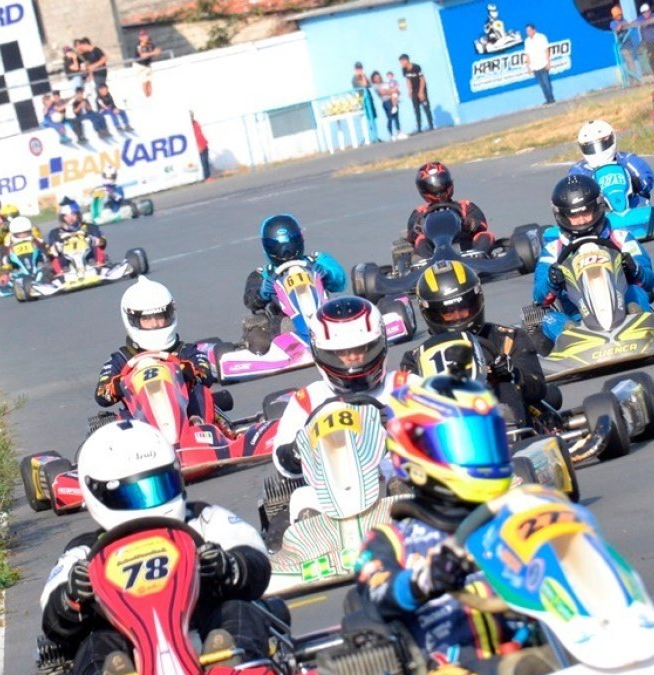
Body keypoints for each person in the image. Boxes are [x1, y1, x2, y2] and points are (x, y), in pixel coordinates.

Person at [39, 420, 273, 674]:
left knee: (239, 611)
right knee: (95, 644)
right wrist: (72, 596)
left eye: (160, 486)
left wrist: (227, 566)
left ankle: (229, 667)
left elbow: (255, 557)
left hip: (203, 628)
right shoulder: (85, 552)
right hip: (130, 647)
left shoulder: (202, 519)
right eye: (134, 493)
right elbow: (53, 619)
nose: (150, 501)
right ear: (98, 493)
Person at [356, 373, 553, 673]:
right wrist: (426, 580)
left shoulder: (517, 519)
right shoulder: (390, 541)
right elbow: (377, 597)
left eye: (486, 441)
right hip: (448, 665)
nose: (483, 455)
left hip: (537, 656)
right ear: (415, 449)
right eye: (468, 444)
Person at [270, 296, 418, 481]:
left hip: (403, 482)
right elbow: (283, 462)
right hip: (333, 487)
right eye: (342, 352)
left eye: (361, 349)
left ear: (379, 344)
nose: (353, 358)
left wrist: (397, 427)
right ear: (321, 353)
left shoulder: (405, 385)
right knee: (301, 497)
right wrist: (300, 447)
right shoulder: (307, 400)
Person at [400, 261, 548, 426]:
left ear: (476, 301)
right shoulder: (415, 359)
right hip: (446, 431)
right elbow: (409, 410)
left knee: (506, 383)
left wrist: (513, 374)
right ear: (431, 313)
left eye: (463, 308)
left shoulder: (508, 339)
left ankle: (512, 430)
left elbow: (539, 388)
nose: (457, 317)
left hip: (506, 428)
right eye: (448, 312)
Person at [532, 175, 654, 354]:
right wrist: (552, 281)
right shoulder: (553, 251)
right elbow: (539, 296)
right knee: (536, 317)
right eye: (574, 215)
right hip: (577, 318)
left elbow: (649, 281)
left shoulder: (621, 238)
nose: (582, 220)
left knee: (637, 292)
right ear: (562, 216)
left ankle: (639, 324)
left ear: (598, 207)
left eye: (586, 212)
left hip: (623, 308)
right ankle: (572, 337)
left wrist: (635, 269)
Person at [93, 276, 217, 422]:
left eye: (159, 317)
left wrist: (188, 373)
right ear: (132, 320)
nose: (154, 324)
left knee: (201, 393)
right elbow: (102, 394)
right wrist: (119, 386)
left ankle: (202, 427)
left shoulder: (185, 351)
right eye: (146, 319)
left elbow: (205, 374)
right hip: (141, 423)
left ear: (169, 315)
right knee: (113, 422)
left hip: (187, 416)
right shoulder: (121, 359)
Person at [240, 214, 346, 352]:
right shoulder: (263, 274)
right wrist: (262, 293)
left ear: (299, 240)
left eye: (291, 243)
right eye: (276, 246)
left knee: (347, 306)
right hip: (285, 320)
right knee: (261, 330)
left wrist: (328, 275)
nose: (286, 252)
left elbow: (340, 281)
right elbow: (250, 300)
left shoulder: (317, 261)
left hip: (324, 312)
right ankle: (293, 346)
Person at [404, 161, 495, 257]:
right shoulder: (420, 212)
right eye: (432, 187)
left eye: (442, 183)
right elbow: (411, 236)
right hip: (434, 249)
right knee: (420, 240)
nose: (439, 189)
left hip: (465, 244)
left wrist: (470, 223)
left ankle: (479, 257)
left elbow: (481, 223)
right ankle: (430, 261)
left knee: (485, 235)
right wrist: (418, 228)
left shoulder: (465, 205)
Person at [567, 120, 654, 208]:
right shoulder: (579, 171)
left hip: (634, 205)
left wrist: (636, 183)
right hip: (599, 211)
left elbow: (647, 178)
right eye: (590, 147)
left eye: (602, 143)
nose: (597, 151)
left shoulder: (627, 160)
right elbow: (574, 196)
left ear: (612, 139)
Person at [47, 199, 106, 275]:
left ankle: (98, 266)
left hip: (89, 256)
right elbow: (50, 252)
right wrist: (56, 248)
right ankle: (62, 272)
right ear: (62, 218)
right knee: (55, 257)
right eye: (66, 216)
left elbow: (102, 243)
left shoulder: (90, 227)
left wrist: (92, 240)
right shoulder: (55, 233)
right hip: (67, 261)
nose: (70, 218)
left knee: (96, 248)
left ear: (78, 215)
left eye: (73, 215)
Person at [399, 54, 434, 134]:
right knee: (416, 109)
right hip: (414, 91)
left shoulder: (416, 67)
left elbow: (422, 79)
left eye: (402, 62)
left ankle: (431, 125)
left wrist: (421, 92)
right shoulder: (404, 70)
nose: (401, 64)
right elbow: (408, 80)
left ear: (406, 60)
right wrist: (409, 90)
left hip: (421, 89)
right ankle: (419, 128)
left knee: (426, 107)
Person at [522, 24, 555, 104]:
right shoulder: (527, 41)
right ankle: (547, 99)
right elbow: (527, 54)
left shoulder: (541, 37)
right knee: (541, 84)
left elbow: (546, 50)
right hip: (534, 66)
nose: (528, 32)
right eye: (527, 31)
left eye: (529, 30)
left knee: (546, 82)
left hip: (543, 64)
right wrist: (528, 67)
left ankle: (551, 99)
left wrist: (548, 62)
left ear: (534, 30)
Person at [610, 5, 643, 83]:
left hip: (629, 44)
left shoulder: (624, 20)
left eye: (620, 14)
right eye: (617, 15)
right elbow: (616, 29)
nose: (619, 16)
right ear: (614, 16)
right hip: (622, 45)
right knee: (629, 62)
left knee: (631, 62)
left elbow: (628, 24)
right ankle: (635, 80)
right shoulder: (613, 23)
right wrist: (621, 25)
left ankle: (633, 80)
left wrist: (624, 24)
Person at [352, 62, 381, 143]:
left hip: (369, 99)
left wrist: (364, 76)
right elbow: (364, 85)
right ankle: (369, 138)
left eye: (360, 68)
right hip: (363, 100)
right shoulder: (354, 79)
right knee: (366, 118)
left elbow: (369, 84)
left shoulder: (364, 76)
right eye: (358, 69)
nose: (360, 70)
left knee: (373, 117)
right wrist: (362, 77)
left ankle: (375, 136)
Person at [371, 72, 403, 140]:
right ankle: (391, 134)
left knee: (396, 116)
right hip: (386, 101)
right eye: (376, 78)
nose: (377, 79)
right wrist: (392, 91)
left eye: (378, 77)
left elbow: (395, 89)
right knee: (390, 117)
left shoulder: (385, 83)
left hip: (393, 100)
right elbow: (382, 92)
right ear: (373, 79)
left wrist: (392, 91)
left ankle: (399, 132)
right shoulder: (376, 86)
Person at [134, 30, 162, 98]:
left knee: (149, 80)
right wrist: (152, 53)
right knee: (144, 81)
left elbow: (158, 51)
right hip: (140, 65)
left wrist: (153, 52)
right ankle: (146, 96)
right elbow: (142, 55)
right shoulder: (139, 45)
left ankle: (150, 96)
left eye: (145, 35)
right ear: (139, 37)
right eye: (142, 36)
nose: (144, 37)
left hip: (147, 64)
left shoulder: (150, 43)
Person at [191, 112, 211, 181]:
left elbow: (199, 134)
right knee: (203, 161)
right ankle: (206, 177)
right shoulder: (190, 126)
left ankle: (208, 176)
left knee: (206, 160)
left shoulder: (196, 123)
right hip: (199, 145)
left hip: (203, 143)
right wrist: (198, 146)